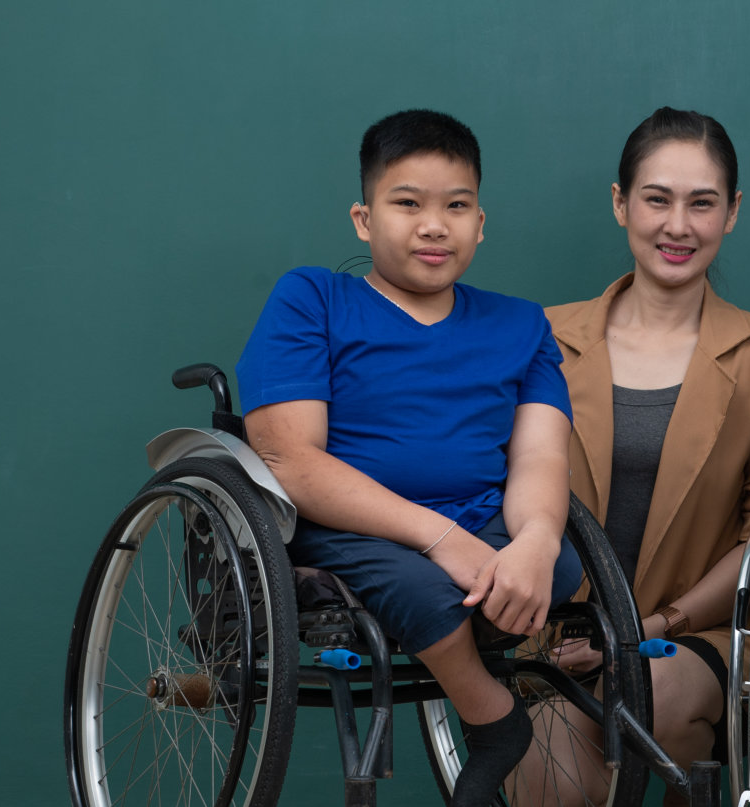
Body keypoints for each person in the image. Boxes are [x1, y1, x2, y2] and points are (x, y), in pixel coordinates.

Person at [237, 109, 583, 807]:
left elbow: (541, 456)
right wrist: (439, 537)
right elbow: (291, 461)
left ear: (481, 223)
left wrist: (538, 542)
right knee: (426, 587)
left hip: (482, 515)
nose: (434, 225)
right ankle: (493, 716)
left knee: (564, 563)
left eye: (456, 206)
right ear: (364, 220)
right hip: (344, 525)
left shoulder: (521, 324)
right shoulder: (313, 299)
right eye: (408, 204)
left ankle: (483, 611)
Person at [533, 107, 750, 800]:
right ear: (622, 202)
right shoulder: (542, 335)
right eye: (657, 199)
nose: (678, 226)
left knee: (647, 690)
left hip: (688, 638)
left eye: (702, 203)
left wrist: (645, 628)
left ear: (733, 211)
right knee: (553, 770)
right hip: (554, 639)